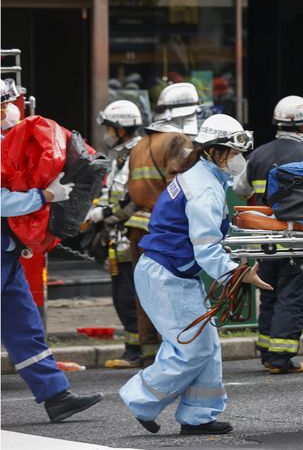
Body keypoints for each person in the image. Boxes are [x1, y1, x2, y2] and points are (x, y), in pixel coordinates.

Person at [119, 114, 272, 436]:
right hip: (166, 277)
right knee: (191, 348)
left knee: (207, 346)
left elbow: (208, 234)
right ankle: (140, 398)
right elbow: (206, 249)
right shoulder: (204, 187)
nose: (239, 160)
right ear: (215, 152)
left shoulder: (202, 177)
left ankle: (199, 416)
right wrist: (238, 274)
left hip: (170, 274)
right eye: (234, 152)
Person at [1, 78, 103, 423]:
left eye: (10, 103)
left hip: (7, 252)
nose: (10, 110)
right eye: (3, 105)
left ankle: (56, 396)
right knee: (21, 324)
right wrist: (45, 197)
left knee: (24, 326)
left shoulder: (7, 143)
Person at [234, 95, 303, 374]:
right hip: (296, 239)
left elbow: (240, 188)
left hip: (263, 240)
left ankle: (266, 352)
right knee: (292, 296)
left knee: (269, 294)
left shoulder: (258, 155)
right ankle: (280, 358)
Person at [126, 82, 199, 366]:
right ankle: (175, 353)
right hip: (165, 229)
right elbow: (179, 184)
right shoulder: (177, 141)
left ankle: (148, 352)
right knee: (173, 292)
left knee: (144, 292)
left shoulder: (141, 144)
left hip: (137, 226)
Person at [85, 100, 145, 368]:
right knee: (122, 296)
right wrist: (96, 209)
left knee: (129, 296)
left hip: (131, 237)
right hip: (117, 238)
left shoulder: (137, 154)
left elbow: (132, 199)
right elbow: (112, 192)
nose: (106, 133)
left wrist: (105, 214)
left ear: (122, 128)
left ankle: (137, 351)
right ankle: (134, 349)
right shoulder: (120, 155)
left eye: (109, 127)